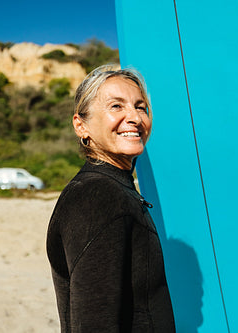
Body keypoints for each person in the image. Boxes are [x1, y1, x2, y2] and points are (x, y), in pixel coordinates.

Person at [46, 65, 176, 332]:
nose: (134, 117)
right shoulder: (97, 196)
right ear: (81, 126)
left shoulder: (112, 188)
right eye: (116, 106)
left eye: (141, 107)